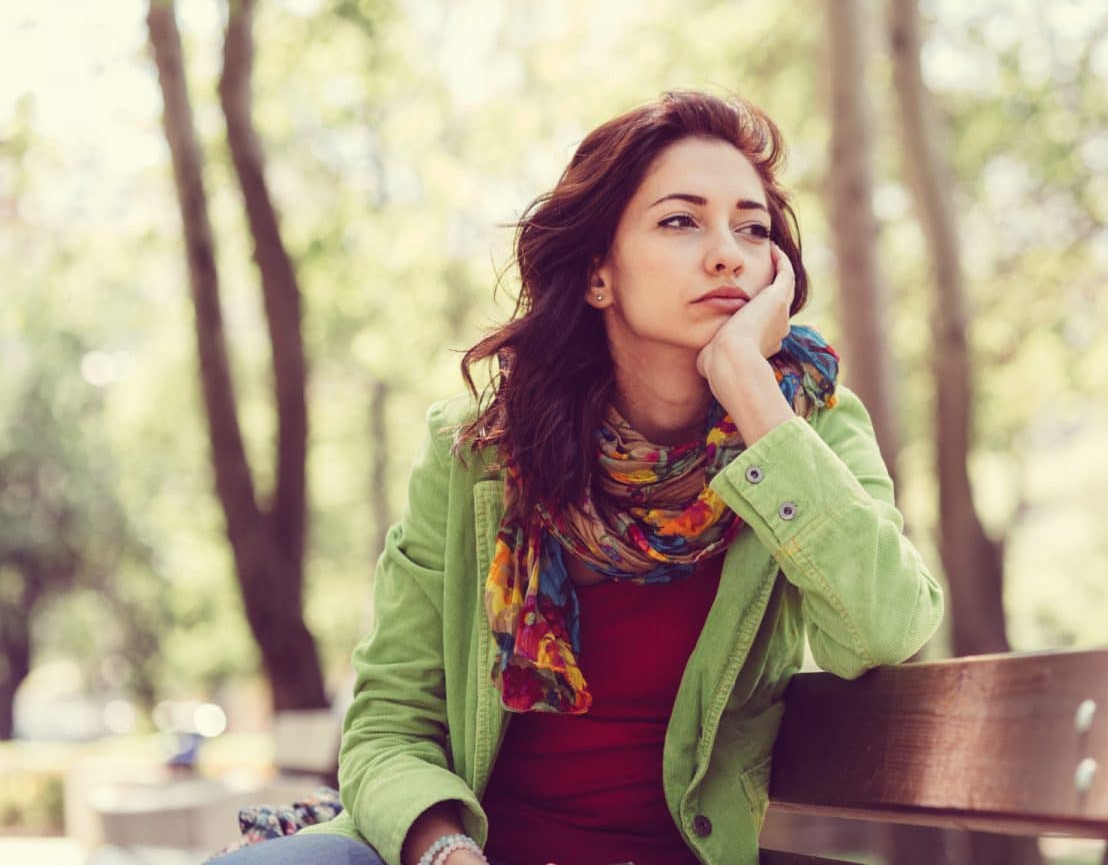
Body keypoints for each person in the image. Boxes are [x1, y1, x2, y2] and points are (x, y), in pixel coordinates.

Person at [220, 90, 945, 865]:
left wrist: (750, 386)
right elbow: (390, 726)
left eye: (753, 227)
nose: (728, 251)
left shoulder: (808, 430)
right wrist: (447, 855)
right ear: (598, 273)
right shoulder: (481, 455)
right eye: (680, 220)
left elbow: (886, 630)